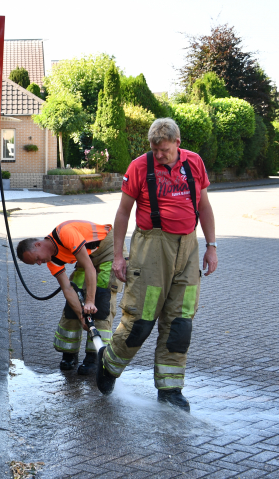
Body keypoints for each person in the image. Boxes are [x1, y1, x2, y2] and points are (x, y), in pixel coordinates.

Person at [96, 118, 218, 411]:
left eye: (163, 149)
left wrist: (211, 246)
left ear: (177, 143)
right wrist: (118, 256)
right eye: (154, 148)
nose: (158, 154)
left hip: (187, 248)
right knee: (141, 320)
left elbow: (204, 206)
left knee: (180, 322)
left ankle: (170, 389)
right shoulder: (140, 166)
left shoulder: (194, 163)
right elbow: (123, 212)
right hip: (151, 247)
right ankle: (109, 366)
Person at [17, 221, 124, 375]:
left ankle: (94, 357)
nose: (39, 263)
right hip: (86, 254)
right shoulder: (52, 261)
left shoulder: (65, 233)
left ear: (38, 245)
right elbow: (67, 288)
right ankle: (69, 354)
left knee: (101, 297)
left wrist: (90, 302)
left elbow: (89, 268)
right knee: (74, 299)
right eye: (36, 263)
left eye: (36, 259)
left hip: (108, 249)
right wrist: (82, 315)